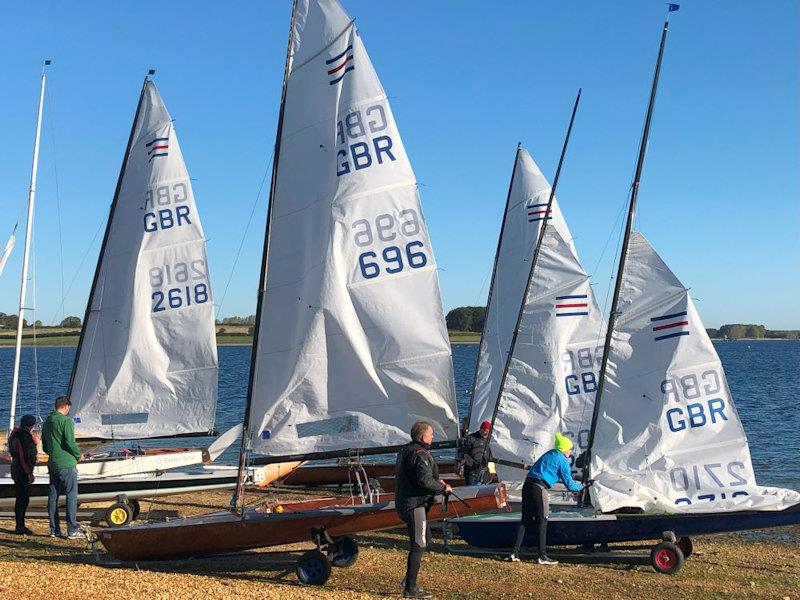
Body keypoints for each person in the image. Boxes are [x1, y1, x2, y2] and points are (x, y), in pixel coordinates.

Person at [508, 433, 587, 565]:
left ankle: (514, 553)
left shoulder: (549, 454)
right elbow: (570, 485)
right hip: (539, 487)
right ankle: (542, 556)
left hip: (528, 485)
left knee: (525, 521)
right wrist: (583, 486)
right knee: (542, 520)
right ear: (564, 449)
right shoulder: (563, 461)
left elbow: (554, 473)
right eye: (569, 449)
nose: (570, 451)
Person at [395, 420, 452, 599]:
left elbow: (422, 477)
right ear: (423, 436)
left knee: (426, 538)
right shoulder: (419, 454)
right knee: (418, 544)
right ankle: (410, 589)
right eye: (431, 433)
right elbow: (424, 481)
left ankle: (408, 579)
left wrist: (437, 482)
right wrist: (443, 488)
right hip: (414, 505)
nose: (433, 436)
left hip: (406, 502)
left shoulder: (406, 450)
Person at [41, 396, 83, 539]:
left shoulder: (47, 421)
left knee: (53, 496)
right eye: (68, 409)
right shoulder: (66, 421)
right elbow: (70, 443)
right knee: (71, 495)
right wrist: (78, 455)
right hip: (67, 463)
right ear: (65, 407)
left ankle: (54, 529)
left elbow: (45, 446)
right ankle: (72, 530)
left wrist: (54, 453)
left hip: (53, 463)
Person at [7, 414, 38, 535]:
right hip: (21, 470)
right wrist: (29, 472)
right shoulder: (23, 436)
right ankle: (20, 526)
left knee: (21, 498)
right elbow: (24, 456)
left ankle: (20, 524)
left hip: (16, 468)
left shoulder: (15, 434)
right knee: (23, 498)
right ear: (31, 425)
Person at [457, 419, 494, 485]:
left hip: (484, 473)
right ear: (480, 429)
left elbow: (491, 458)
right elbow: (461, 453)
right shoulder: (471, 438)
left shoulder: (490, 441)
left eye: (487, 431)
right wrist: (459, 468)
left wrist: (492, 473)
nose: (485, 432)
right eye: (483, 430)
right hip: (472, 472)